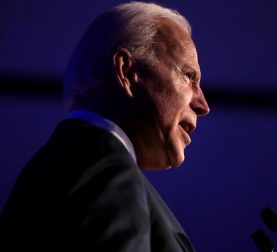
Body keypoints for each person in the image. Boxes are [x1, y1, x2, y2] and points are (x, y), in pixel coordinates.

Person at [0, 2, 209, 251]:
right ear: (127, 72)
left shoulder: (58, 165)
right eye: (189, 77)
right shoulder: (106, 168)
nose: (203, 104)